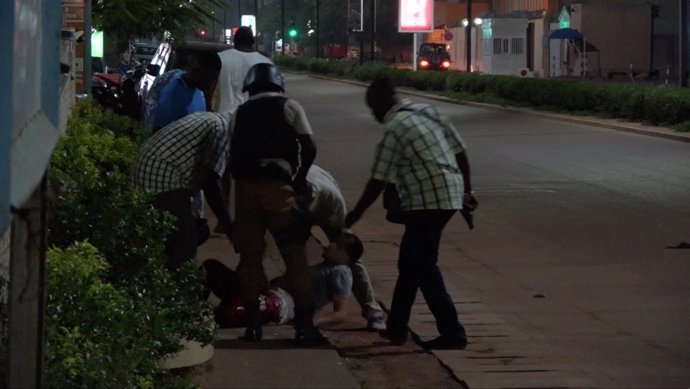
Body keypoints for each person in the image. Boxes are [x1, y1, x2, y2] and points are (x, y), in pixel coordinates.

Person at [344, 77, 477, 350]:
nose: (374, 115)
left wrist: (355, 213)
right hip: (449, 194)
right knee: (415, 266)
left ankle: (449, 333)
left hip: (427, 202)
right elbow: (460, 152)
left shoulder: (394, 128)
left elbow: (377, 180)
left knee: (418, 266)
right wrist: (467, 192)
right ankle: (400, 329)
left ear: (383, 102)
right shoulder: (430, 111)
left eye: (373, 108)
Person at [230, 62, 324, 346]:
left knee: (250, 258)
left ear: (250, 87)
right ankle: (305, 327)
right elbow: (309, 147)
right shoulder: (289, 106)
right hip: (278, 188)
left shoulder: (239, 112)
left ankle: (254, 326)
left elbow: (232, 152)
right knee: (294, 256)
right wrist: (299, 177)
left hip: (245, 190)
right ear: (277, 84)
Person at [131, 112, 233, 270]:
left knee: (189, 230)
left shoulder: (214, 120)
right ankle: (177, 287)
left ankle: (163, 271)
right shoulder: (223, 130)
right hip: (161, 178)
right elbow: (212, 181)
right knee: (184, 243)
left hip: (151, 171)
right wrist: (226, 221)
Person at [204, 232, 364, 329]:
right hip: (269, 292)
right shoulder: (325, 266)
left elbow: (342, 313)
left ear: (346, 256)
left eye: (337, 245)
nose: (331, 244)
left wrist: (313, 321)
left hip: (282, 305)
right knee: (210, 268)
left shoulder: (341, 271)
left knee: (232, 313)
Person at [300, 165, 387, 331]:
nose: (330, 245)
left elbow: (347, 252)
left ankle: (372, 310)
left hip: (326, 202)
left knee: (351, 253)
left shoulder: (325, 196)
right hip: (304, 196)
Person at [142, 50, 222, 133]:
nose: (212, 84)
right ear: (198, 72)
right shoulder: (172, 93)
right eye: (211, 78)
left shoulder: (198, 91)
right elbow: (159, 131)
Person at [215, 26, 273, 115]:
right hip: (255, 117)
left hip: (224, 117)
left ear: (234, 40)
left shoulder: (219, 58)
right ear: (253, 41)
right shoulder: (266, 62)